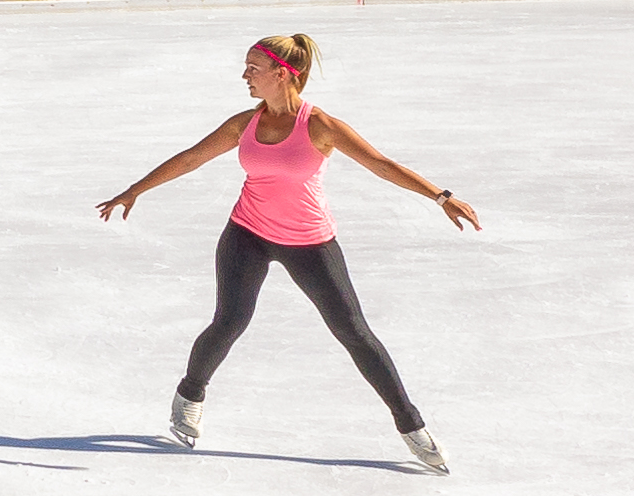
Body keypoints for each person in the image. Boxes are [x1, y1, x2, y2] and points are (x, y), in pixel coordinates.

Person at [100, 32, 473, 467]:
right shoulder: (245, 123)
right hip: (247, 234)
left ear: (282, 74)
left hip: (310, 242)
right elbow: (190, 158)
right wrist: (134, 191)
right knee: (229, 322)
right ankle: (189, 395)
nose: (245, 76)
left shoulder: (320, 126)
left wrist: (441, 197)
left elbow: (381, 164)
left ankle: (412, 427)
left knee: (353, 331)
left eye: (253, 69)